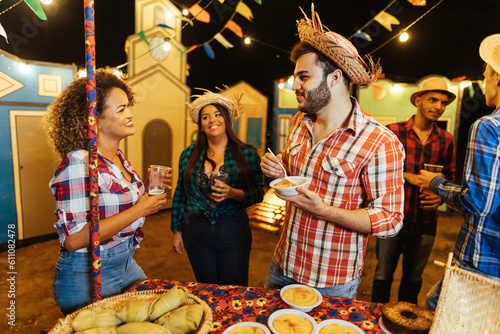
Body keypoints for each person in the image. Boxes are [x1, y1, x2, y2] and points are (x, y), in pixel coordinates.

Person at [260, 7, 405, 298]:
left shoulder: (379, 142)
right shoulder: (301, 122)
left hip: (331, 279)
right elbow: (296, 182)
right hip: (283, 263)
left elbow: (390, 220)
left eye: (303, 76)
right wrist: (280, 172)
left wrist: (323, 211)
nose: (294, 86)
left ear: (335, 78)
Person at [44, 68, 171, 315]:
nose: (131, 114)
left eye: (128, 106)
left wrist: (145, 191)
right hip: (88, 272)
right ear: (94, 119)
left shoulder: (118, 158)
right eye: (121, 109)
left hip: (125, 262)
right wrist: (139, 209)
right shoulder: (79, 164)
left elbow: (113, 202)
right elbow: (74, 240)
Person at [419, 34, 500, 310]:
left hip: (481, 258)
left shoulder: (488, 127)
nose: (485, 81)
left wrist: (436, 183)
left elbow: (478, 202)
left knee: (436, 311)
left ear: (498, 78)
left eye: (486, 74)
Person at [371, 78, 457, 304]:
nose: (439, 106)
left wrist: (439, 196)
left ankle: (405, 325)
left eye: (444, 103)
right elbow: (375, 172)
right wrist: (406, 176)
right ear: (418, 100)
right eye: (433, 100)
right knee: (382, 276)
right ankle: (374, 324)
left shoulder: (446, 140)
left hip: (426, 221)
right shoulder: (392, 132)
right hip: (392, 218)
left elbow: (451, 177)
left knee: (413, 280)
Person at [171, 91, 264, 286]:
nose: (212, 120)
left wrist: (232, 193)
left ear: (227, 119)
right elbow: (181, 194)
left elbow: (257, 194)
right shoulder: (188, 154)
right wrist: (177, 231)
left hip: (233, 230)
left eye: (217, 114)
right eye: (205, 117)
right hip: (195, 232)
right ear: (201, 126)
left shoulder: (247, 153)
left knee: (234, 289)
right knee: (206, 289)